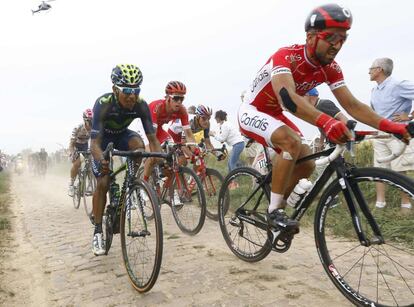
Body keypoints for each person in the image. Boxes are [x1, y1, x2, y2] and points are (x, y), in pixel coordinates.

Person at [237, 4, 412, 231]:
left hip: (274, 115)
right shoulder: (286, 56)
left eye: (343, 39)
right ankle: (274, 212)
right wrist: (327, 122)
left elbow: (352, 105)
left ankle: (276, 201)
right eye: (331, 38)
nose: (337, 45)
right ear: (310, 37)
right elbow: (287, 97)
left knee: (307, 160)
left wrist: (392, 127)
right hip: (253, 110)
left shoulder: (330, 68)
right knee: (291, 142)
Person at [90, 64, 162, 256]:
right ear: (115, 89)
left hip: (122, 136)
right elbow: (94, 144)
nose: (132, 95)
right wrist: (102, 160)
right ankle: (97, 231)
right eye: (127, 90)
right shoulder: (103, 103)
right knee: (103, 181)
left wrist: (162, 158)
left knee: (138, 145)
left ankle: (129, 185)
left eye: (136, 90)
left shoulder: (140, 104)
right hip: (102, 140)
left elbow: (153, 140)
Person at [369, 57, 414, 211]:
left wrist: (410, 116)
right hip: (380, 134)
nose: (369, 71)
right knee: (379, 168)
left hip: (398, 132)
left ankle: (405, 205)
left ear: (379, 70)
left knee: (400, 168)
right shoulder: (374, 90)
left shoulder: (397, 85)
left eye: (371, 68)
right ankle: (380, 204)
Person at [142, 81, 198, 180]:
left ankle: (173, 191)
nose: (179, 102)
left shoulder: (182, 110)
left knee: (177, 155)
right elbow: (152, 137)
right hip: (145, 128)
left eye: (182, 98)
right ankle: (143, 185)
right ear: (168, 98)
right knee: (153, 155)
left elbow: (188, 134)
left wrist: (196, 150)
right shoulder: (157, 107)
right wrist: (158, 156)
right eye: (176, 98)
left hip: (158, 129)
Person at [304, 88, 348, 152]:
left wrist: (343, 138)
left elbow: (344, 119)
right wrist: (321, 143)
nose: (302, 99)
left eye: (303, 96)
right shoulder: (316, 109)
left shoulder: (323, 104)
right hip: (331, 143)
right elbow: (323, 127)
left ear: (308, 95)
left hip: (337, 143)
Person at [68, 109, 93, 196]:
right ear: (85, 120)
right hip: (76, 145)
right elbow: (71, 142)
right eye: (89, 121)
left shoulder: (94, 128)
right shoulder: (78, 128)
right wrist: (72, 152)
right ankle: (71, 184)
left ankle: (90, 184)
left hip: (85, 145)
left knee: (90, 164)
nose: (91, 123)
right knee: (77, 163)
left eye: (93, 120)